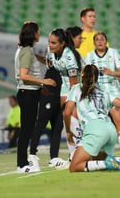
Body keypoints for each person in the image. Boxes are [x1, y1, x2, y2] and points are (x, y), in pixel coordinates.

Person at [85, 32, 120, 169]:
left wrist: (112, 73)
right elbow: (86, 74)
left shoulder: (113, 53)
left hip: (112, 90)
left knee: (119, 119)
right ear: (94, 43)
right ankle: (99, 154)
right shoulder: (89, 56)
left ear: (106, 42)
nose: (100, 42)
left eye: (102, 39)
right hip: (97, 92)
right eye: (97, 40)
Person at [64, 64, 120, 172]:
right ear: (97, 77)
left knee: (74, 167)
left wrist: (69, 132)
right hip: (110, 130)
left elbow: (66, 113)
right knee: (93, 161)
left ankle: (110, 162)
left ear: (82, 75)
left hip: (95, 129)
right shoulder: (104, 90)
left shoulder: (76, 88)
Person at [14, 21, 56, 173]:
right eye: (38, 31)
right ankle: (22, 164)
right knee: (26, 130)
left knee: (27, 128)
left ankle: (23, 162)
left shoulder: (26, 50)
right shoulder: (26, 51)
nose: (39, 34)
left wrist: (40, 87)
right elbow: (23, 75)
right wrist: (43, 81)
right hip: (27, 93)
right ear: (33, 34)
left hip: (31, 92)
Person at [45, 28, 83, 161]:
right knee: (66, 122)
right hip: (63, 85)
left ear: (62, 44)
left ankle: (81, 150)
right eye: (49, 42)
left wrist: (72, 103)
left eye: (54, 43)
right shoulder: (50, 53)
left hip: (77, 85)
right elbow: (51, 69)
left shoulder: (69, 57)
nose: (50, 45)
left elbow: (74, 83)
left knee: (72, 117)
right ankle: (72, 154)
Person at [29, 64, 66, 167]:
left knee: (58, 127)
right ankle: (32, 155)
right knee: (41, 124)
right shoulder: (53, 57)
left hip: (60, 96)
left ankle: (54, 157)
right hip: (48, 95)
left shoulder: (68, 57)